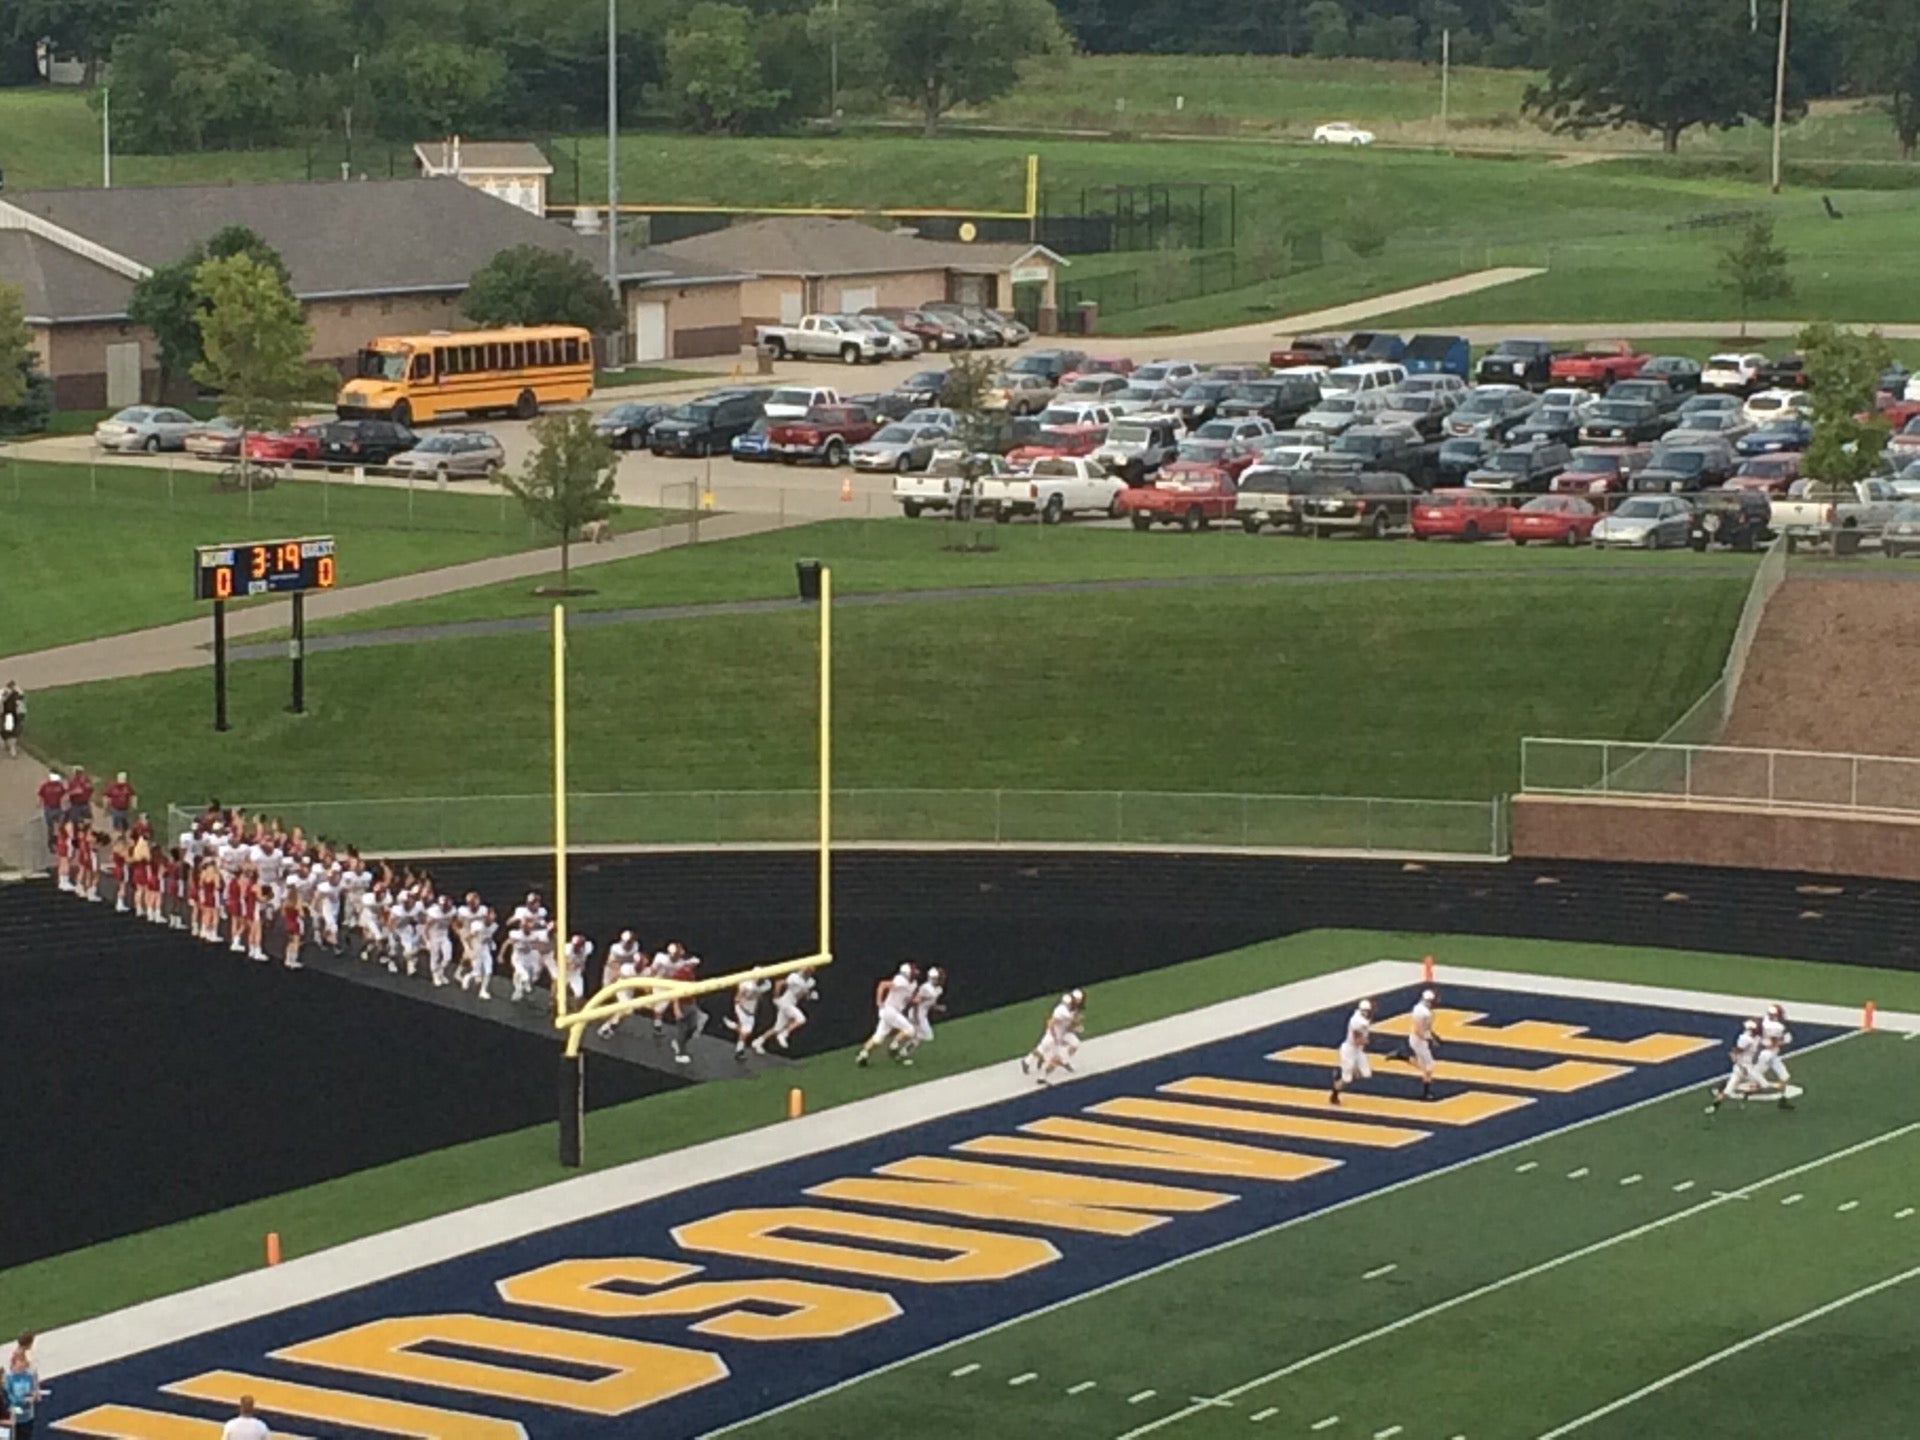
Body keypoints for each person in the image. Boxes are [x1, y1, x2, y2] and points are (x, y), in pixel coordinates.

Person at [857, 964, 919, 1067]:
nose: (915, 972)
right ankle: (893, 1047)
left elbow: (906, 997)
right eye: (913, 971)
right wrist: (879, 1002)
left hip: (890, 1011)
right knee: (910, 1030)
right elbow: (882, 984)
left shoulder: (913, 984)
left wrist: (914, 1000)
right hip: (890, 1010)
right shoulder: (901, 980)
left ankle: (862, 1055)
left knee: (878, 1037)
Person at [1025, 989, 1085, 1083]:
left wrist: (1075, 1027)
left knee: (1075, 1043)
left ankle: (1064, 1060)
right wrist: (1055, 1037)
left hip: (1063, 1033)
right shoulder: (1061, 1011)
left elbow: (1069, 1025)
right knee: (1043, 1051)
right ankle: (1031, 1064)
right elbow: (1050, 1022)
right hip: (1054, 1035)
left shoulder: (1073, 1009)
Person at [755, 967, 818, 1054]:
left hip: (791, 1004)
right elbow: (779, 983)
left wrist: (810, 996)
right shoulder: (794, 977)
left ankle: (758, 1042)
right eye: (807, 970)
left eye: (811, 971)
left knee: (777, 1028)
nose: (808, 972)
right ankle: (784, 1034)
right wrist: (776, 998)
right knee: (801, 1019)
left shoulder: (811, 982)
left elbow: (804, 994)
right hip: (785, 1003)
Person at [1706, 1018, 1764, 1112]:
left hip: (1747, 1067)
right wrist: (1739, 1064)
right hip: (1743, 1068)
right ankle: (1714, 1106)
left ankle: (1744, 1096)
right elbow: (1733, 1052)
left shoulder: (1755, 1038)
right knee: (1728, 1091)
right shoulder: (1747, 1039)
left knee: (1758, 1085)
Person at [896, 966, 946, 1064]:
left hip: (922, 1014)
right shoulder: (926, 988)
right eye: (938, 977)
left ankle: (902, 1052)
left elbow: (930, 1003)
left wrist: (938, 1007)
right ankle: (899, 1049)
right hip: (917, 1014)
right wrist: (915, 1017)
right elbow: (915, 1003)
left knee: (921, 1036)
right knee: (925, 1035)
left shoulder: (939, 989)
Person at [1329, 998, 1374, 1106]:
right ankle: (1334, 1096)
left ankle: (1342, 1073)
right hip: (1350, 1051)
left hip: (1358, 1050)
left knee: (1366, 1074)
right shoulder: (1357, 1022)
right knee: (1347, 1080)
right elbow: (1356, 1040)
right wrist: (1366, 1041)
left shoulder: (1360, 1016)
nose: (1368, 1013)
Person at [1758, 1003, 1795, 1109]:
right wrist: (1782, 1041)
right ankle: (1725, 1087)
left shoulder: (1767, 1022)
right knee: (1754, 1077)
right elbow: (1787, 1039)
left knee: (1785, 1076)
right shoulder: (1774, 1026)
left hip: (1772, 1054)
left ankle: (1783, 1100)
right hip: (1766, 1054)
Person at [1405, 988, 1440, 1101]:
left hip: (1418, 1039)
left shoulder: (1420, 1008)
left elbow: (1426, 1028)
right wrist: (1429, 1039)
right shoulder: (1422, 1012)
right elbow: (1418, 1030)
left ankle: (1402, 1056)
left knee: (1424, 1065)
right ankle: (1426, 1093)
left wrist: (1433, 1036)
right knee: (1429, 1067)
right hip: (1418, 1041)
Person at [4, 1335, 41, 1440]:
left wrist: (33, 1395)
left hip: (27, 1416)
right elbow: (8, 1395)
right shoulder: (9, 1378)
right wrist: (21, 1401)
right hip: (12, 1416)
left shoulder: (28, 1376)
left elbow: (32, 1388)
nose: (25, 1364)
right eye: (21, 1361)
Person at [729, 975, 772, 1060]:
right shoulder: (747, 984)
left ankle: (734, 1026)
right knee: (746, 1032)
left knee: (747, 1032)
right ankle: (739, 1051)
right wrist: (740, 996)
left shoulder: (764, 985)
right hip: (742, 1008)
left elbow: (767, 985)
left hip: (751, 1012)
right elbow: (738, 996)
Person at [36, 771, 64, 854]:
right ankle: (51, 844)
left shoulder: (59, 785)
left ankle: (60, 843)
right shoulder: (45, 785)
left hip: (58, 808)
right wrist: (39, 803)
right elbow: (40, 795)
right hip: (48, 808)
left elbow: (64, 794)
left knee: (61, 826)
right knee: (50, 828)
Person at [102, 771, 135, 835]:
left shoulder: (127, 786)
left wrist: (133, 805)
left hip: (125, 809)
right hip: (115, 809)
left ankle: (123, 835)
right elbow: (106, 797)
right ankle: (117, 836)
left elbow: (132, 795)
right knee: (117, 824)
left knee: (125, 824)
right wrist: (105, 808)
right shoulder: (112, 786)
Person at [1, 681, 24, 760]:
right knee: (10, 732)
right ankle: (12, 749)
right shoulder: (4, 692)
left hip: (14, 715)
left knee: (12, 732)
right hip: (8, 715)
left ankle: (11, 748)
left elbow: (20, 701)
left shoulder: (17, 693)